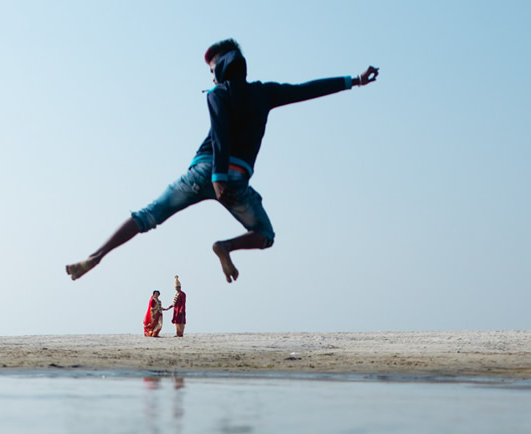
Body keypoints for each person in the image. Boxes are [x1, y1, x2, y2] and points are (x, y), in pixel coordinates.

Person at [65, 39, 378, 284]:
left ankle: (96, 256)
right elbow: (306, 90)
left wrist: (217, 176)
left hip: (205, 173)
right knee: (265, 234)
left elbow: (219, 134)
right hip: (235, 180)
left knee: (148, 215)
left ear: (222, 67)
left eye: (212, 66)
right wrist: (355, 80)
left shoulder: (217, 94)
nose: (211, 73)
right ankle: (225, 247)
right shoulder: (264, 93)